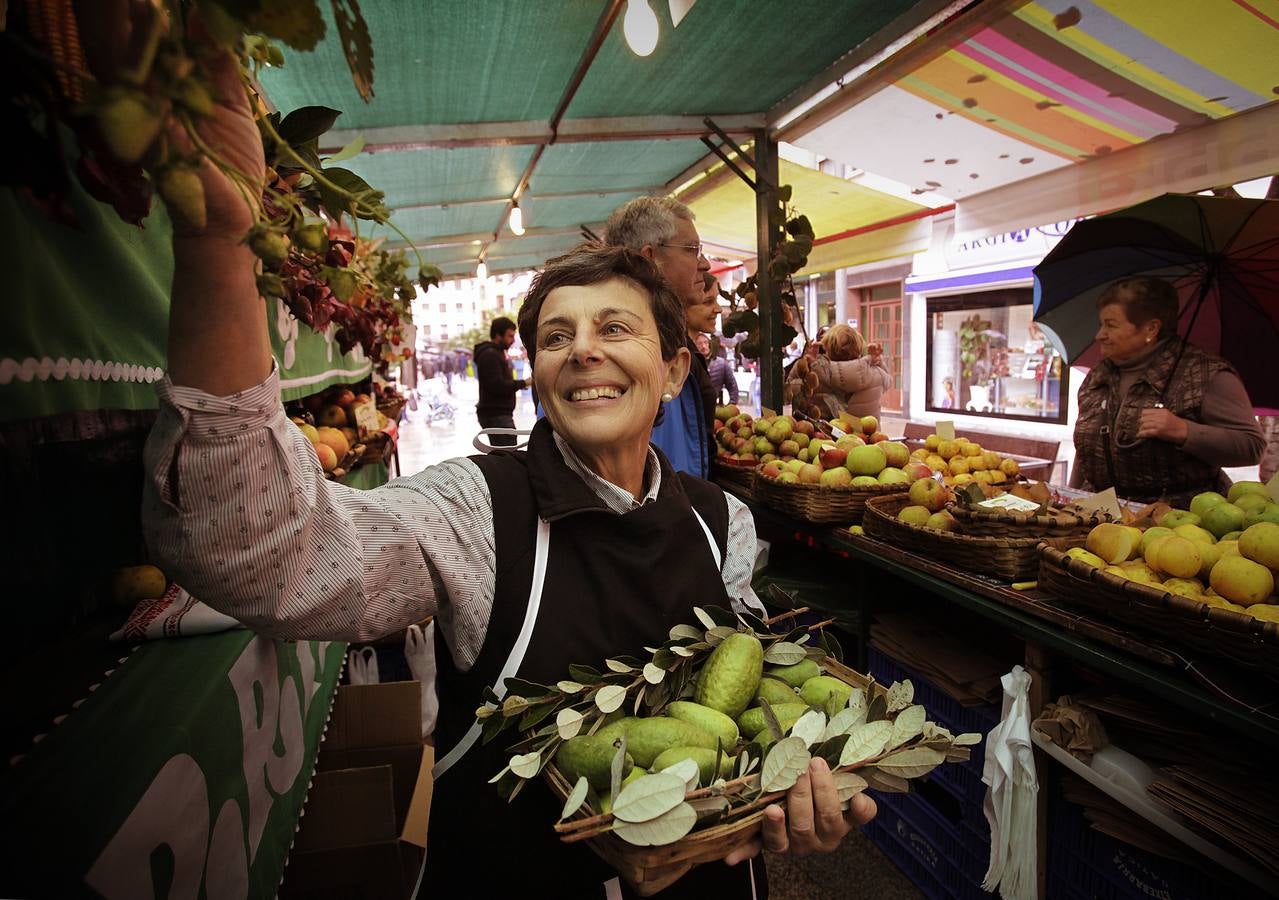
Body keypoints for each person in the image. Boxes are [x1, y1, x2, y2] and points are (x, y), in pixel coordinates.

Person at [134, 44, 874, 888]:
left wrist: (796, 792)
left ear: (673, 370)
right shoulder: (473, 511)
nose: (583, 352)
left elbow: (747, 717)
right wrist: (220, 245)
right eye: (556, 337)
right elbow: (268, 557)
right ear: (537, 377)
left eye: (615, 329)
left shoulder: (721, 522)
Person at [1071, 276, 1264, 504]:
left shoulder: (1205, 374)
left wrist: (1183, 430)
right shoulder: (1099, 375)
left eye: (1111, 325)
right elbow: (1088, 450)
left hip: (1178, 522)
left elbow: (1252, 446)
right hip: (1102, 513)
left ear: (1151, 328)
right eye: (1101, 324)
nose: (1099, 335)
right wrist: (1071, 496)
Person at [605, 197, 716, 478]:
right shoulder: (611, 349)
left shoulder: (666, 334)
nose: (705, 264)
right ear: (649, 257)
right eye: (692, 249)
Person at [798, 324, 893, 421]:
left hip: (833, 435)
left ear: (828, 349)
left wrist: (806, 360)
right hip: (869, 435)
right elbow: (888, 381)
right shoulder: (878, 375)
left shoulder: (818, 375)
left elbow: (793, 388)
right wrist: (878, 360)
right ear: (859, 348)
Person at [474, 316, 530, 447]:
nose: (512, 340)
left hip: (499, 414)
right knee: (507, 455)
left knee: (505, 454)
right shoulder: (490, 355)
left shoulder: (497, 353)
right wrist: (524, 383)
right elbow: (497, 385)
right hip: (496, 415)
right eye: (510, 336)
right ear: (498, 335)